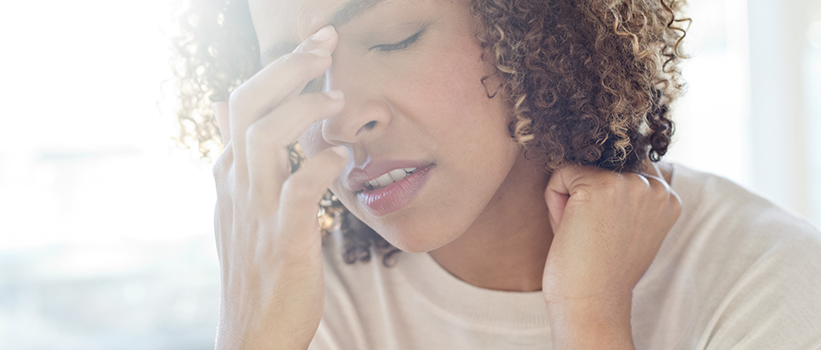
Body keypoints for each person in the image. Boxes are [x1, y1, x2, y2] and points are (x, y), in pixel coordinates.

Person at [172, 0, 821, 348]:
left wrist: (590, 321)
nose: (339, 120)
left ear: (531, 21)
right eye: (297, 70)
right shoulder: (304, 302)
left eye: (394, 37)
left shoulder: (768, 283)